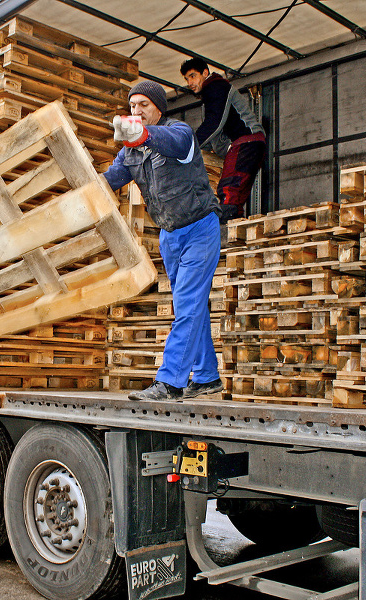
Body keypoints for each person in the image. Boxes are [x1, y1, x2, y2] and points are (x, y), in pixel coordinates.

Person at [103, 81, 223, 402]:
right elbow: (108, 181)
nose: (137, 111)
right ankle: (208, 376)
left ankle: (170, 382)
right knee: (191, 305)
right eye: (132, 106)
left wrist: (142, 135)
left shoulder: (179, 133)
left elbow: (171, 142)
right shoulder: (130, 152)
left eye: (143, 105)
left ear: (158, 108)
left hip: (200, 228)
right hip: (170, 235)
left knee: (186, 304)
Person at [180, 57, 266, 222]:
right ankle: (235, 234)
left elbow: (213, 123)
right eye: (186, 79)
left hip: (247, 141)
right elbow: (217, 135)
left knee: (228, 188)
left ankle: (224, 232)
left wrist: (190, 146)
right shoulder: (213, 91)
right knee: (238, 196)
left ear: (205, 73)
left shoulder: (216, 86)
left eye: (192, 76)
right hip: (253, 143)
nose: (189, 82)